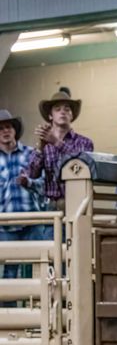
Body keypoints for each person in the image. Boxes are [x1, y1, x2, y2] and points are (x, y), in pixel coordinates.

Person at [20, 87, 94, 217]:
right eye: (57, 109)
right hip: (51, 207)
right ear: (50, 116)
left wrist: (56, 142)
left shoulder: (85, 142)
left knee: (77, 238)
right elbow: (32, 174)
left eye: (67, 109)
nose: (63, 112)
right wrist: (40, 148)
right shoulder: (45, 143)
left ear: (72, 115)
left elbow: (82, 163)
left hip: (78, 206)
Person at [0, 108, 45, 280]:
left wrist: (29, 183)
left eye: (9, 127)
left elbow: (44, 186)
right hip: (5, 226)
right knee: (9, 274)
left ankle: (42, 307)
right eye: (1, 128)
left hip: (32, 222)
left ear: (15, 131)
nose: (5, 131)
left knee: (41, 270)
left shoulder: (30, 154)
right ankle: (9, 308)